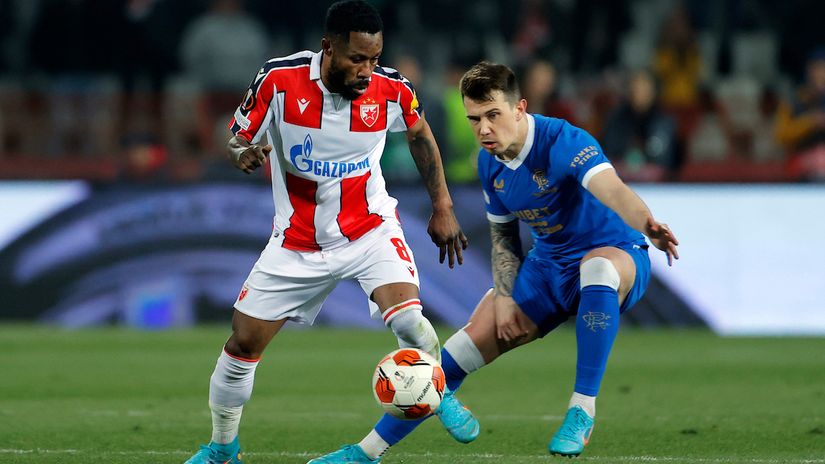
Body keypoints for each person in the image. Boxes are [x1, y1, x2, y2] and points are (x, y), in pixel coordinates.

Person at [310, 61, 679, 462]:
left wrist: (647, 223)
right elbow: (504, 239)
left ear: (519, 108)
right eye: (474, 119)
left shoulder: (564, 141)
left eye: (492, 115)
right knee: (452, 358)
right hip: (547, 267)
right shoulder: (489, 163)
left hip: (617, 251)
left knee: (598, 269)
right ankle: (365, 453)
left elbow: (613, 190)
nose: (483, 129)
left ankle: (581, 410)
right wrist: (504, 297)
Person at [184, 2, 469, 463]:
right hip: (296, 241)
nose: (367, 70)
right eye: (357, 58)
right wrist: (242, 153)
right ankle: (221, 450)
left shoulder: (392, 89)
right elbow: (235, 137)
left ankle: (437, 390)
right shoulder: (279, 80)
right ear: (328, 48)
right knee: (242, 344)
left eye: (374, 59)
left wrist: (443, 206)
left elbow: (419, 134)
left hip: (369, 229)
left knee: (410, 322)